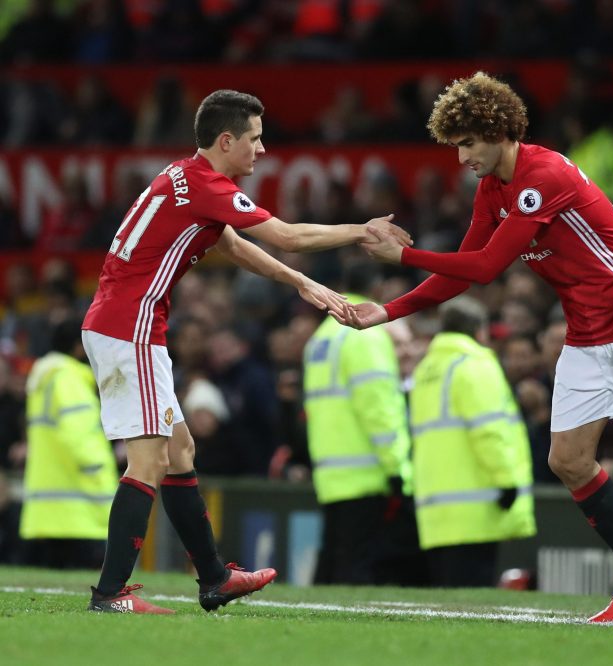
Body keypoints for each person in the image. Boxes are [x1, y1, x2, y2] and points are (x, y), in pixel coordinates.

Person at [351, 72, 613, 622]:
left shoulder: (544, 174)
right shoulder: (493, 190)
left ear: (498, 130)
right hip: (586, 330)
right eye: (455, 145)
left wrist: (404, 259)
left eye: (468, 142)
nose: (461, 156)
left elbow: (487, 267)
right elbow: (460, 276)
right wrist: (389, 310)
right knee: (568, 461)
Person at [80, 89, 411, 614]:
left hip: (122, 322)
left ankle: (214, 578)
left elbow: (232, 244)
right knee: (148, 460)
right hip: (132, 327)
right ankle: (110, 595)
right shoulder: (208, 185)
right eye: (255, 139)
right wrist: (360, 230)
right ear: (226, 140)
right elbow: (288, 234)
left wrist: (300, 283)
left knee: (180, 451)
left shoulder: (185, 178)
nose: (262, 148)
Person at [409, 295, 536, 587]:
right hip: (477, 506)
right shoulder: (475, 364)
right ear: (480, 330)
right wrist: (506, 480)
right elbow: (488, 430)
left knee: (445, 604)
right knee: (471, 604)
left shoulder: (426, 369)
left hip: (435, 507)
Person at [303, 262, 413, 585]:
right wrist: (397, 469)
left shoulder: (321, 338)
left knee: (332, 563)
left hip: (330, 471)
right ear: (377, 291)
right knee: (356, 570)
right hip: (366, 471)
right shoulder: (364, 335)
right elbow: (379, 409)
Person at [20, 317, 117, 570]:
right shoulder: (69, 379)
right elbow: (79, 431)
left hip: (54, 505)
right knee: (91, 581)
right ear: (78, 346)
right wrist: (97, 466)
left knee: (57, 574)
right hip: (81, 504)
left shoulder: (46, 377)